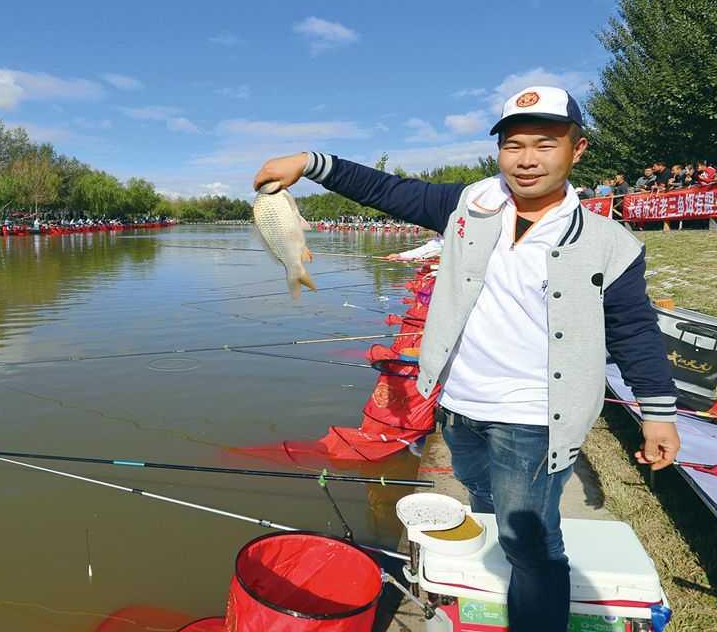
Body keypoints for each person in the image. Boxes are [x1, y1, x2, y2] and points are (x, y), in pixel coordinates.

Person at [253, 85, 679, 632]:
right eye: (514, 145)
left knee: (533, 544)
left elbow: (634, 331)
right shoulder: (465, 208)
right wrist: (310, 163)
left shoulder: (609, 243)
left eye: (545, 144)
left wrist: (659, 412)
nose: (527, 159)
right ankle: (497, 588)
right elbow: (385, 188)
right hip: (457, 405)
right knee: (481, 502)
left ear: (578, 150)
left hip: (534, 418)